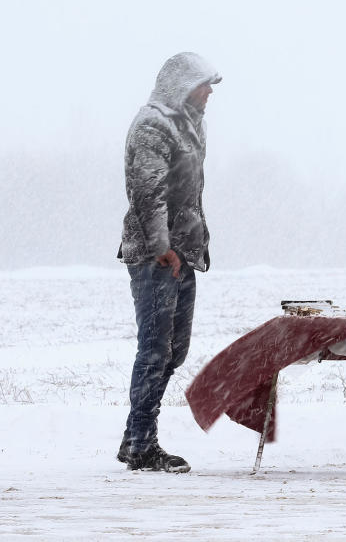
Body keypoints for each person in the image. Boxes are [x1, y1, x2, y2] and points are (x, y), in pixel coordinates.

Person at [116, 52, 221, 472]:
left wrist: (189, 245)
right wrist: (162, 247)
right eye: (203, 83)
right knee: (155, 350)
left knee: (174, 351)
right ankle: (143, 444)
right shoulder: (152, 125)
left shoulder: (193, 124)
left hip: (184, 252)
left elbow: (190, 191)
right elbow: (147, 192)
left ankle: (132, 438)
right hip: (156, 255)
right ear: (181, 85)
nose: (210, 92)